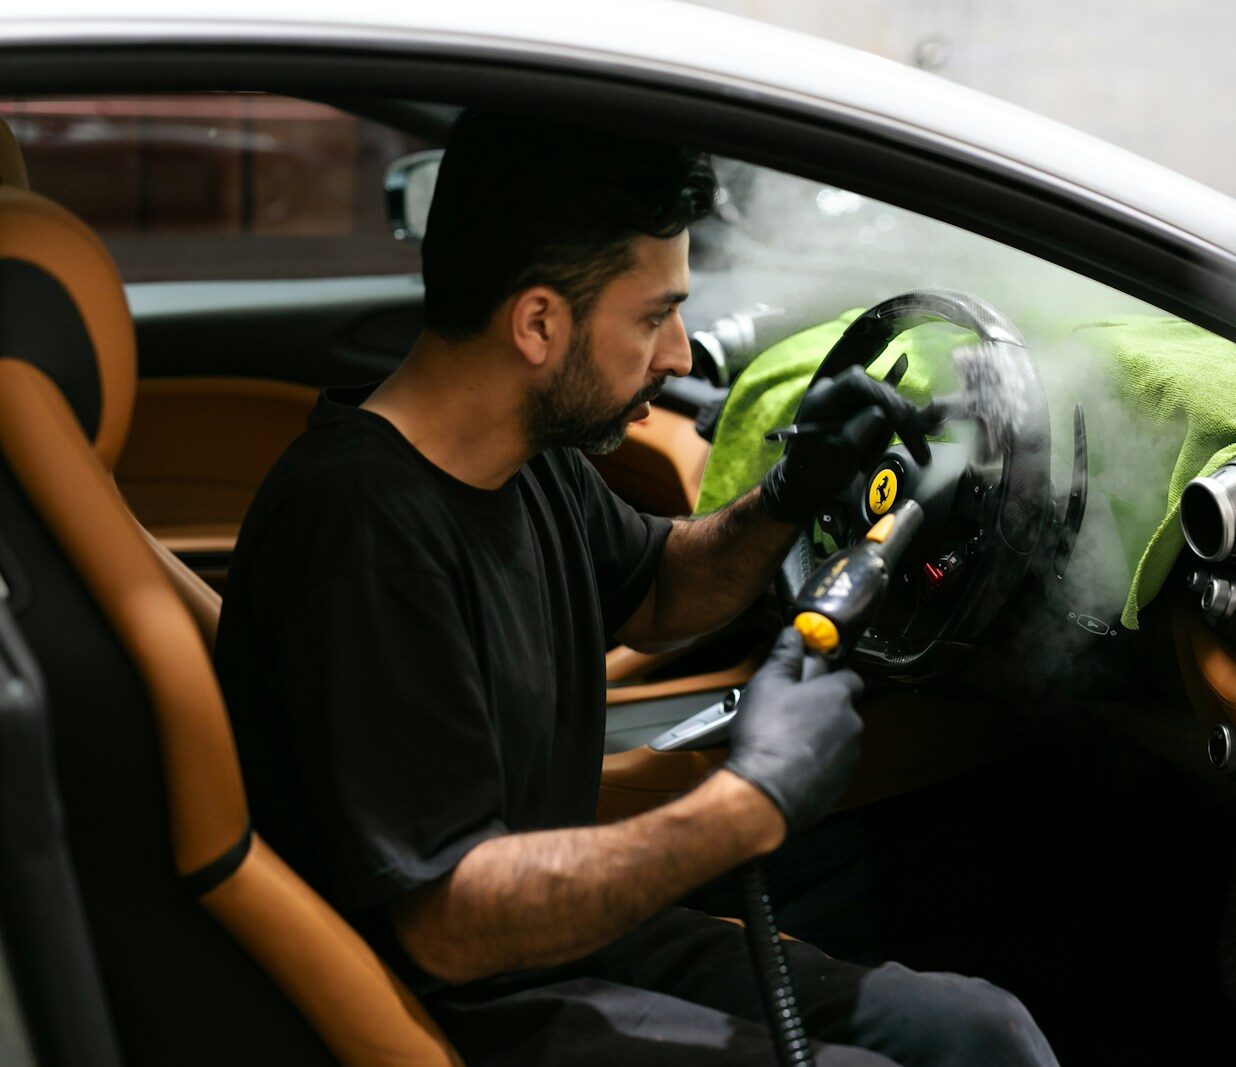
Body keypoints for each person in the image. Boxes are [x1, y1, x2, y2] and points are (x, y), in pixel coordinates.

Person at [215, 111, 1056, 1066]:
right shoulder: (361, 532)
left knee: (976, 1030)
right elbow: (448, 925)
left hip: (557, 944)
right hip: (461, 1008)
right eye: (654, 315)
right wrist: (750, 800)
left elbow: (661, 592)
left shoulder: (518, 458)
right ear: (538, 322)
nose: (682, 355)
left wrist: (792, 491)